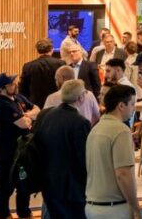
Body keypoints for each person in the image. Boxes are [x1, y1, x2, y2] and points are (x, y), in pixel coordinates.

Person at [33, 79, 90, 217]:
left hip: (48, 181)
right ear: (80, 97)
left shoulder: (46, 115)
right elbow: (83, 158)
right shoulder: (80, 122)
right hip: (71, 187)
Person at [85, 85, 141, 219]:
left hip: (93, 206)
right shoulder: (121, 130)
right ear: (121, 106)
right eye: (132, 104)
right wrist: (136, 208)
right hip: (114, 209)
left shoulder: (96, 128)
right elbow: (123, 174)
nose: (134, 108)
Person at [0, 73, 38, 219]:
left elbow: (37, 109)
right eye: (11, 84)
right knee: (6, 183)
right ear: (2, 88)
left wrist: (26, 115)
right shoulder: (2, 105)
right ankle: (4, 214)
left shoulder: (18, 98)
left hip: (21, 149)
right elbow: (24, 124)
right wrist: (29, 116)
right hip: (4, 150)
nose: (15, 85)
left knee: (24, 182)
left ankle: (24, 212)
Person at [20, 38, 65, 108]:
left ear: (38, 51)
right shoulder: (61, 63)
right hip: (57, 104)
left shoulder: (28, 66)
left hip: (35, 106)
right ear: (51, 49)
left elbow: (23, 89)